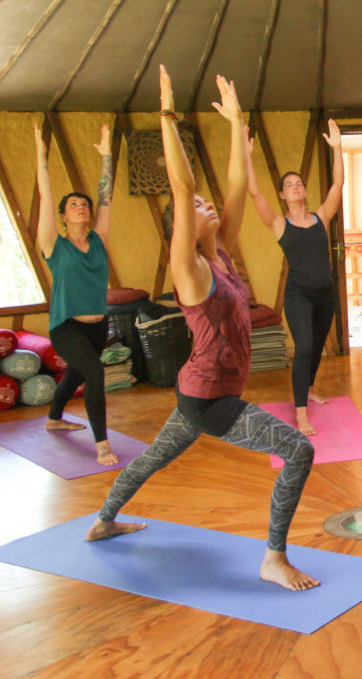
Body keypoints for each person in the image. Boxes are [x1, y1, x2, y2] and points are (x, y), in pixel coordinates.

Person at [86, 67, 319, 592]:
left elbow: (235, 185)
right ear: (183, 228)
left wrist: (236, 123)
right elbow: (182, 183)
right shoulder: (189, 270)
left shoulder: (222, 254)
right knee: (298, 450)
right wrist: (168, 113)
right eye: (195, 207)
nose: (206, 202)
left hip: (198, 391)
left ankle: (102, 521)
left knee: (152, 458)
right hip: (211, 399)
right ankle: (273, 559)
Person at [245, 119, 345, 435]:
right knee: (303, 347)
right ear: (282, 194)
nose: (296, 186)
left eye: (299, 182)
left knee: (316, 347)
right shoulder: (279, 224)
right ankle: (301, 412)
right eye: (289, 184)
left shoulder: (321, 217)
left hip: (324, 293)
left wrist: (338, 148)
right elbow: (254, 193)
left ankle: (309, 388)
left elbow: (337, 186)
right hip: (298, 294)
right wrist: (247, 157)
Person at [34, 120, 118, 465]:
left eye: (84, 204)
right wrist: (41, 156)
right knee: (95, 372)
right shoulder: (54, 244)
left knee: (77, 373)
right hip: (66, 325)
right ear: (63, 217)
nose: (81, 207)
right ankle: (102, 444)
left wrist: (107, 156)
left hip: (98, 325)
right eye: (73, 205)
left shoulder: (98, 240)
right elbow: (45, 196)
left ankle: (54, 418)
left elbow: (106, 197)